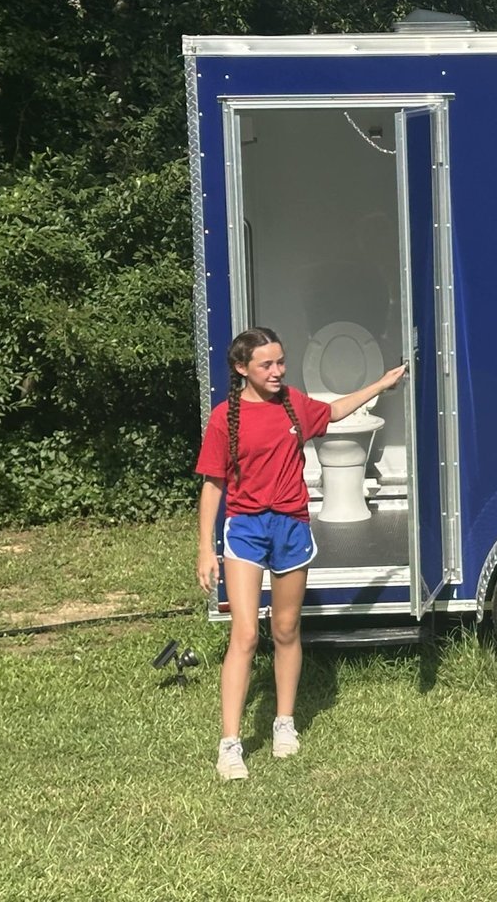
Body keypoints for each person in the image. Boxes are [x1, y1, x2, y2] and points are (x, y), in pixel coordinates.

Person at [195, 327, 407, 780]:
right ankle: (230, 745)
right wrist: (204, 550)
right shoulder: (223, 418)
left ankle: (284, 723)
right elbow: (212, 484)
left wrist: (381, 384)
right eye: (267, 365)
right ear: (242, 369)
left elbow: (333, 411)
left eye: (280, 362)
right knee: (246, 635)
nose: (278, 371)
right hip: (247, 530)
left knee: (287, 628)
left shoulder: (292, 404)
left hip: (292, 527)